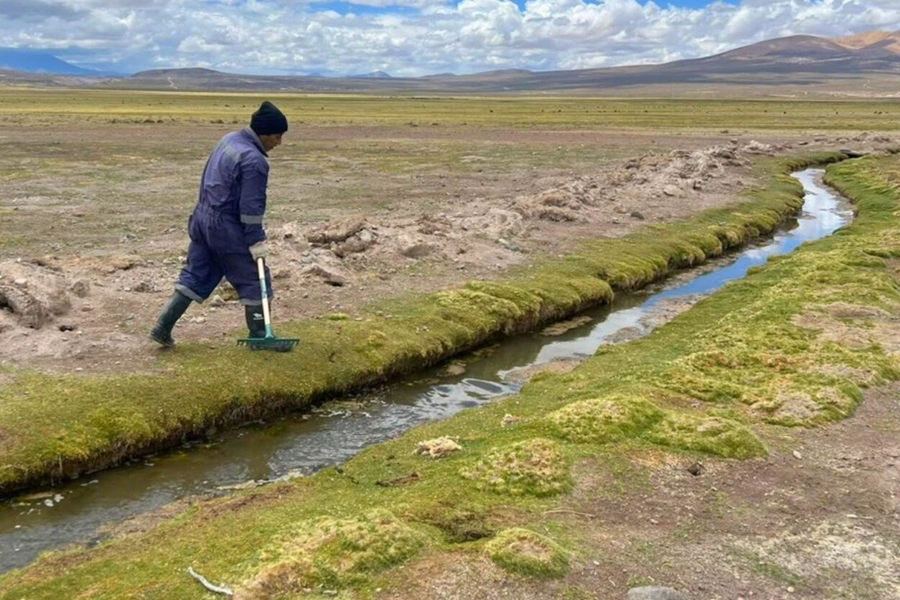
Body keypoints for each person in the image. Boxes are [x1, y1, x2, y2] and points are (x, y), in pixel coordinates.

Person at [149, 100, 288, 349]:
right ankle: (260, 338)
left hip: (203, 218)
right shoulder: (254, 160)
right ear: (264, 133)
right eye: (277, 136)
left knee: (196, 273)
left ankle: (162, 327)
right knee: (255, 280)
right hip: (226, 227)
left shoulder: (229, 140)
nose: (279, 142)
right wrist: (255, 240)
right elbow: (251, 208)